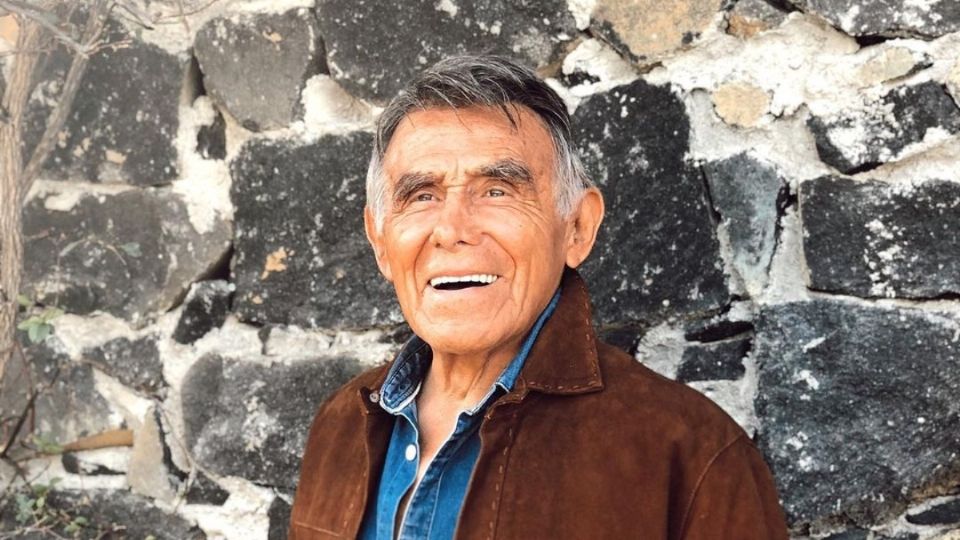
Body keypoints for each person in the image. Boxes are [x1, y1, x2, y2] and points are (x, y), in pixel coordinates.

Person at [288, 55, 788, 540]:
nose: (452, 230)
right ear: (380, 241)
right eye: (422, 196)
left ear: (577, 228)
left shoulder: (690, 453)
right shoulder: (341, 425)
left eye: (497, 191)